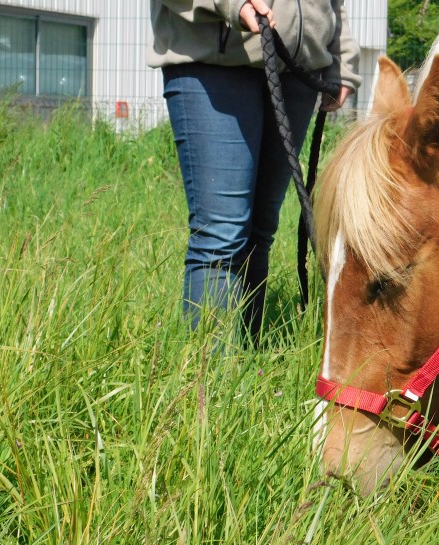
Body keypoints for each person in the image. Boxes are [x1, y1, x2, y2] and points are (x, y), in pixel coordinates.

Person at [148, 0, 360, 345]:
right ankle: (207, 386)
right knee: (222, 234)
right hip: (213, 59)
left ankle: (246, 364)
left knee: (260, 230)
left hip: (298, 66)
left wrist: (341, 60)